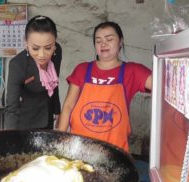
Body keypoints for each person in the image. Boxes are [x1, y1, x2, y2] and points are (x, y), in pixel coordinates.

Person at [58, 21, 152, 152]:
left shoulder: (133, 71)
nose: (103, 44)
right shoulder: (82, 69)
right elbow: (68, 106)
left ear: (120, 42)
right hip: (80, 148)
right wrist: (59, 138)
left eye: (109, 39)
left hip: (114, 151)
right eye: (98, 41)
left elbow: (164, 85)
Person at [5, 15, 62, 130]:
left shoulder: (57, 52)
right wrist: (10, 137)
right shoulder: (17, 64)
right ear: (26, 43)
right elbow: (12, 107)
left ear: (54, 43)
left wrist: (57, 110)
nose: (42, 55)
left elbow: (54, 83)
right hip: (25, 122)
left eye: (48, 48)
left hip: (47, 117)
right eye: (35, 48)